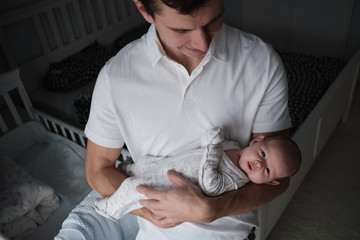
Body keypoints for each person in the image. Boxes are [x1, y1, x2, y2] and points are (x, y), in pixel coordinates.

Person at [72, 0, 300, 239]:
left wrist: (215, 208)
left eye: (213, 20)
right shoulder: (115, 77)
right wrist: (151, 211)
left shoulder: (261, 61)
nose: (203, 43)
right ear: (144, 9)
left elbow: (279, 176)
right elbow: (98, 169)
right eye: (181, 30)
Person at [93, 128, 301, 222]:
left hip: (168, 184)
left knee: (133, 187)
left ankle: (110, 209)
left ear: (269, 181)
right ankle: (127, 172)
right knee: (142, 164)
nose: (257, 163)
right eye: (263, 154)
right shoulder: (235, 146)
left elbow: (211, 185)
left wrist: (212, 148)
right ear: (256, 141)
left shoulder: (237, 179)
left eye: (266, 169)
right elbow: (198, 151)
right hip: (169, 165)